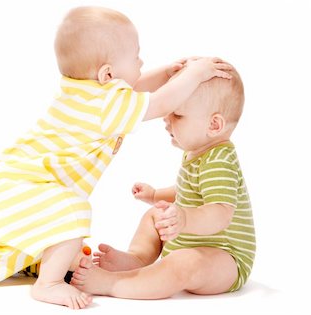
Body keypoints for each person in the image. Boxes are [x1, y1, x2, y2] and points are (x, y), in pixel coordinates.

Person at [0, 6, 231, 309]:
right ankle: (47, 284)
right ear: (107, 74)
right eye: (136, 55)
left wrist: (170, 71)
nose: (142, 62)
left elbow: (137, 87)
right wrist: (195, 74)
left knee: (1, 257)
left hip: (8, 186)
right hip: (28, 186)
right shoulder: (107, 104)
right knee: (74, 213)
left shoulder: (84, 90)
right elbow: (158, 104)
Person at [71, 65, 256, 299]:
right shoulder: (197, 152)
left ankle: (113, 284)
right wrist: (156, 196)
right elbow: (189, 192)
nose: (166, 120)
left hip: (224, 258)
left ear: (214, 125)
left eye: (177, 114)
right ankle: (137, 258)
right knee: (155, 215)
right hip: (188, 241)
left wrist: (184, 218)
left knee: (184, 263)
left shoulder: (220, 160)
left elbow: (220, 213)